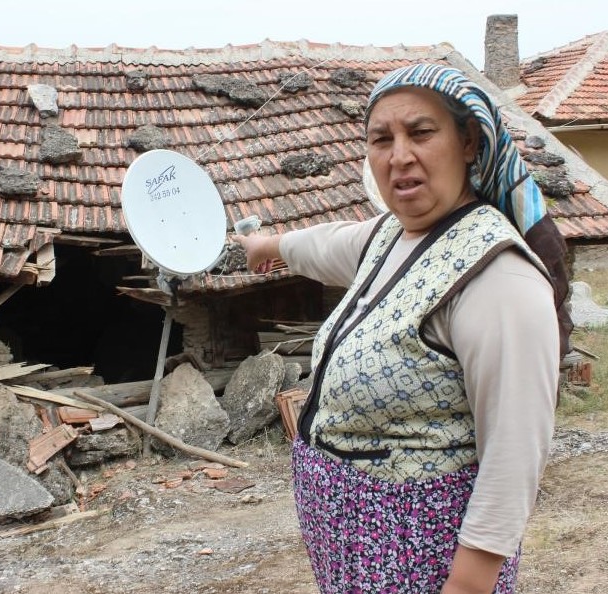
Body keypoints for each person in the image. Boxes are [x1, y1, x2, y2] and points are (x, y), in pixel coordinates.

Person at [233, 64, 568, 594]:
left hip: (424, 558)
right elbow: (325, 243)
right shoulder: (393, 236)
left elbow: (515, 452)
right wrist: (265, 246)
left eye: (421, 132)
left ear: (469, 143)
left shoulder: (498, 278)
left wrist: (468, 585)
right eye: (381, 139)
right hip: (357, 549)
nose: (399, 155)